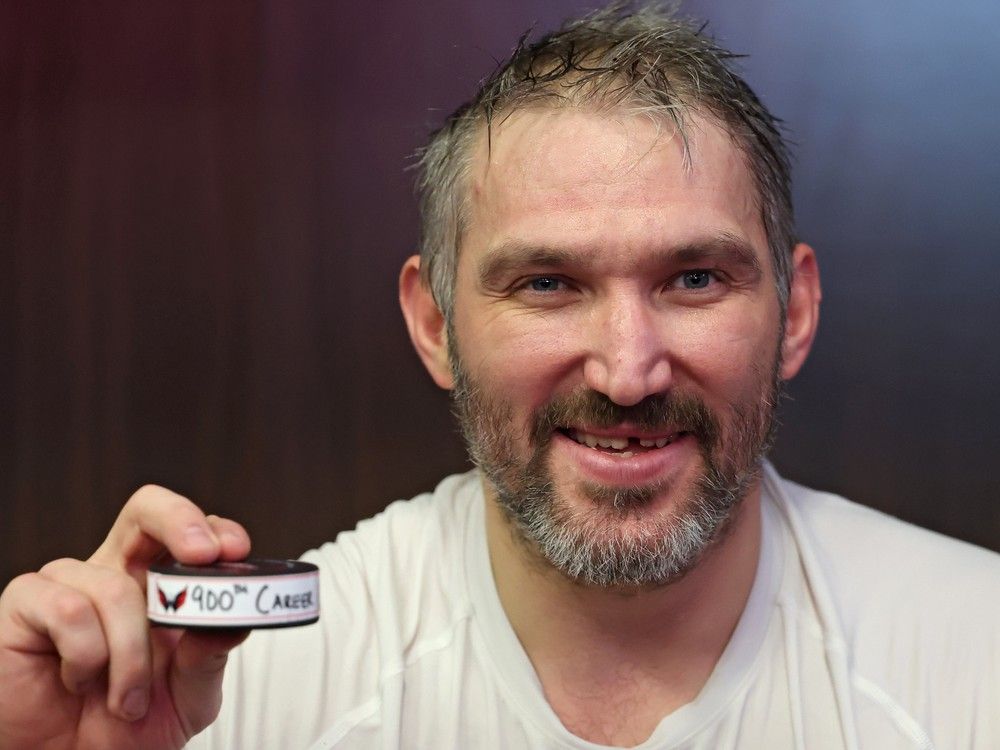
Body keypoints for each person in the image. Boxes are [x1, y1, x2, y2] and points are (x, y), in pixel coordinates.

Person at [1, 4, 997, 749]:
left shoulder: (972, 666)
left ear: (796, 311)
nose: (628, 368)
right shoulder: (236, 700)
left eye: (693, 278)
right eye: (548, 283)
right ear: (435, 324)